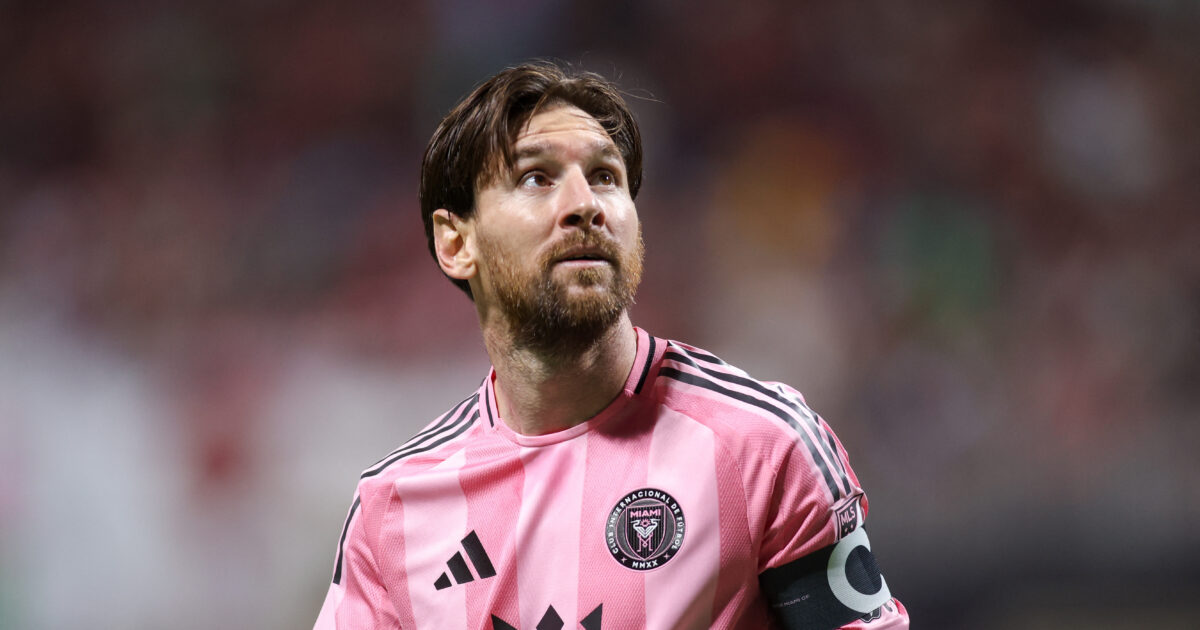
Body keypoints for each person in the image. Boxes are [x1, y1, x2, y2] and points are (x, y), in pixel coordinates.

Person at [314, 61, 909, 629]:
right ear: (455, 243)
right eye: (536, 178)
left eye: (605, 177)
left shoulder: (763, 446)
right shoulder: (395, 508)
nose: (585, 205)